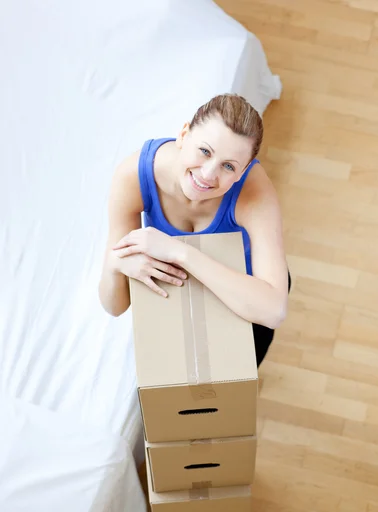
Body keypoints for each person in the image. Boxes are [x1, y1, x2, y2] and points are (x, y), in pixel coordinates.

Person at [99, 94, 290, 367]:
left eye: (228, 166)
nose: (208, 175)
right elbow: (114, 306)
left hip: (244, 295)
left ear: (243, 171)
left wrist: (180, 252)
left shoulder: (255, 194)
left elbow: (273, 311)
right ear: (184, 134)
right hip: (178, 290)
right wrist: (114, 265)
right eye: (204, 151)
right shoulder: (134, 176)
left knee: (230, 395)